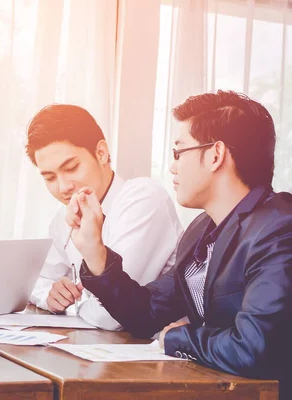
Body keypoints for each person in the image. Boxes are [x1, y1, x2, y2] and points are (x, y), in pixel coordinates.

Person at [66, 91, 292, 399]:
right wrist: (95, 252)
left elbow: (254, 347)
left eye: (178, 153)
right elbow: (147, 313)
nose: (172, 168)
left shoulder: (279, 228)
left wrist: (177, 338)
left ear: (215, 155)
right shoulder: (201, 230)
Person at [25, 104, 182, 330]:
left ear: (101, 153)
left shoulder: (143, 198)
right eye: (49, 177)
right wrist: (49, 295)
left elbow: (111, 317)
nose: (63, 187)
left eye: (71, 167)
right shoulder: (65, 215)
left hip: (155, 354)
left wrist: (74, 304)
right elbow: (32, 282)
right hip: (102, 350)